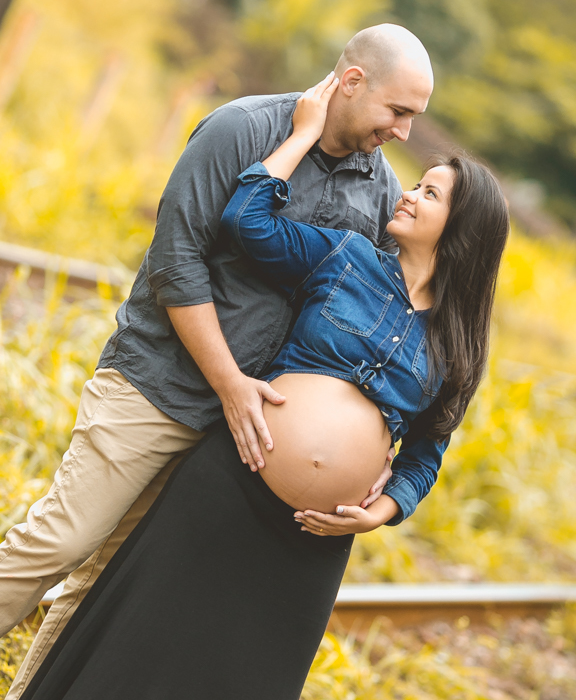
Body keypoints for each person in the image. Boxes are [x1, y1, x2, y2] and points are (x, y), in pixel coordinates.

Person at [17, 76, 509, 700]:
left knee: (245, 676)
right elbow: (246, 222)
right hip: (232, 477)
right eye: (417, 183)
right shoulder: (347, 257)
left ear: (461, 229)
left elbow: (426, 452)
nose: (406, 192)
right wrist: (301, 137)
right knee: (136, 627)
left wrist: (380, 512)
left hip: (313, 537)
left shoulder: (456, 344)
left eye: (429, 193)